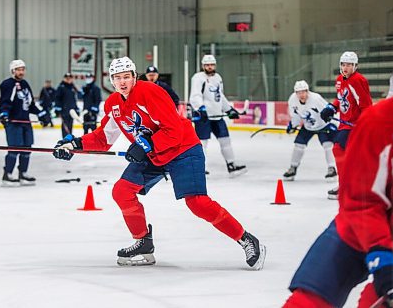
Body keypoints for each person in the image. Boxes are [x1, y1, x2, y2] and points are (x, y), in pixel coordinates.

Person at [52, 57, 266, 269]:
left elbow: (172, 130)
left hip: (183, 149)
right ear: (112, 81)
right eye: (118, 78)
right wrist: (74, 145)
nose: (123, 82)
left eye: (127, 76)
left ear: (135, 77)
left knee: (197, 203)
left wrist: (145, 146)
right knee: (122, 191)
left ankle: (246, 239)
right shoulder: (113, 104)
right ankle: (143, 242)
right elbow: (103, 138)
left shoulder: (150, 92)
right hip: (153, 155)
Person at [282, 91, 393, 308]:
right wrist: (381, 253)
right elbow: (360, 201)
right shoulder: (380, 120)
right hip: (358, 227)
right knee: (305, 303)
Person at [320, 51, 372, 199]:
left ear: (355, 66)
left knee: (338, 148)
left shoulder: (358, 80)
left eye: (349, 65)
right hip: (344, 124)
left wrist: (363, 125)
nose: (345, 67)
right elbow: (341, 99)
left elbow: (366, 106)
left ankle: (347, 186)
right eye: (343, 64)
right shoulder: (340, 79)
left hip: (354, 124)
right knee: (347, 153)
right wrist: (332, 108)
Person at [190, 54, 246, 176]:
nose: (210, 67)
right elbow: (195, 95)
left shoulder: (218, 78)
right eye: (207, 65)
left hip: (217, 116)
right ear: (203, 66)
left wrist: (229, 109)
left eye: (212, 65)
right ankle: (199, 168)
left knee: (225, 140)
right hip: (203, 117)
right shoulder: (198, 78)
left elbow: (220, 96)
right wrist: (201, 108)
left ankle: (231, 165)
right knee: (202, 142)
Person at [0, 59, 51, 186]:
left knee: (27, 148)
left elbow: (30, 104)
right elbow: (5, 102)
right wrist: (4, 113)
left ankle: (23, 173)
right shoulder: (7, 84)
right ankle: (7, 175)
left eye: (23, 69)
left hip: (25, 121)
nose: (21, 72)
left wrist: (41, 114)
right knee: (14, 148)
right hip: (14, 122)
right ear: (13, 71)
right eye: (18, 69)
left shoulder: (25, 84)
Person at [283, 80, 338, 182]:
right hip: (308, 126)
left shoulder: (316, 99)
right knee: (298, 145)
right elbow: (296, 115)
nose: (301, 95)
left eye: (303, 92)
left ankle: (332, 168)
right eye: (299, 92)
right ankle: (293, 168)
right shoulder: (292, 100)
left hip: (323, 125)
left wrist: (333, 123)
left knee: (328, 145)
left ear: (307, 91)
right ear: (296, 93)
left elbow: (329, 110)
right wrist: (293, 125)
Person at [55, 73, 79, 138]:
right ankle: (65, 140)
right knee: (65, 126)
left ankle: (69, 139)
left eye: (70, 78)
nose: (68, 79)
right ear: (64, 79)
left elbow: (74, 99)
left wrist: (76, 108)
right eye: (67, 78)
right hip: (64, 110)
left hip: (72, 110)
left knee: (70, 125)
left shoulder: (73, 87)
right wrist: (57, 108)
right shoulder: (61, 87)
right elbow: (57, 98)